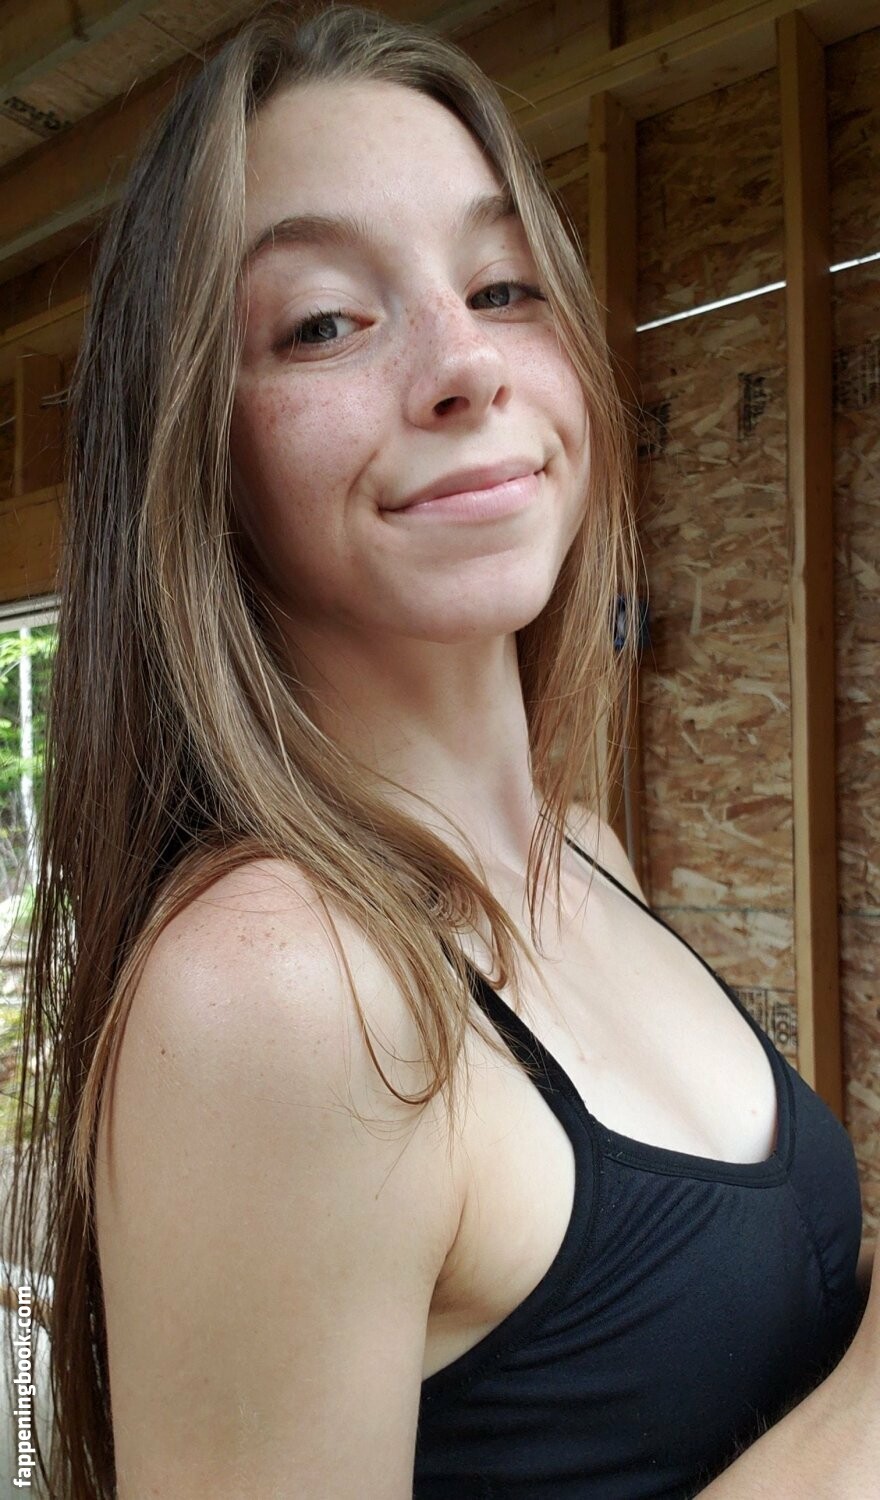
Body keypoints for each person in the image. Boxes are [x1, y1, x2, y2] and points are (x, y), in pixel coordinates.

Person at [3, 3, 878, 1497]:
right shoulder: (277, 991)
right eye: (324, 322)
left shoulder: (582, 853)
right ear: (196, 450)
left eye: (504, 285)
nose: (465, 361)